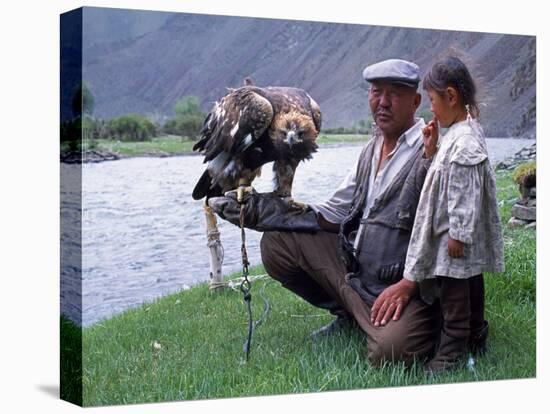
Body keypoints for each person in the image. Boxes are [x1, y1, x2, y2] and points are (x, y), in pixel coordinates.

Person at [209, 59, 441, 366]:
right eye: (376, 92)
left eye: (394, 93)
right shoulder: (372, 149)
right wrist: (270, 212)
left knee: (390, 353)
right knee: (279, 242)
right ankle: (350, 313)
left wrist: (409, 284)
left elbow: (443, 235)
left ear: (415, 101)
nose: (383, 102)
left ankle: (385, 321)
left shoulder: (431, 150)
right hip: (360, 267)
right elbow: (337, 210)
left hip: (402, 281)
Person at [403, 56, 504, 373]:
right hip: (457, 235)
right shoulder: (461, 133)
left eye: (432, 100)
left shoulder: (464, 143)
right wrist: (431, 150)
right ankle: (476, 337)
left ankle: (450, 354)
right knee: (471, 284)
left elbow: (463, 192)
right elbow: (448, 177)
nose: (430, 109)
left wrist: (458, 233)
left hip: (454, 237)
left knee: (454, 295)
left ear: (451, 96)